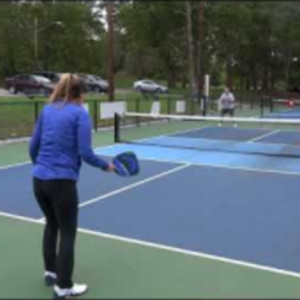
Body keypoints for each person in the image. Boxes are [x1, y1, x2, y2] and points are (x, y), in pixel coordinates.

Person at [29, 73, 115, 299]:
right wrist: (105, 166)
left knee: (51, 224)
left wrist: (40, 167)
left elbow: (33, 145)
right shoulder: (80, 114)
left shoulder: (47, 110)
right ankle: (63, 286)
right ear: (80, 94)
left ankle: (51, 273)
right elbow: (86, 153)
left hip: (39, 181)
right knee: (67, 232)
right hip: (62, 183)